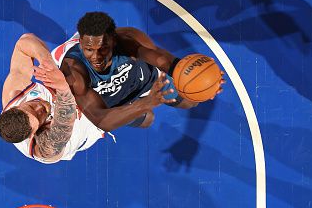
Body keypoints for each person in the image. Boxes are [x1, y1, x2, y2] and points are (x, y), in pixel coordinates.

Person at [51, 12, 224, 130]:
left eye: (103, 49)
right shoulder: (74, 71)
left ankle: (141, 103)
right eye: (89, 49)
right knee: (147, 120)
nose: (96, 56)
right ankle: (132, 108)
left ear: (113, 41)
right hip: (112, 102)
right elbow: (100, 119)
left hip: (146, 82)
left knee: (190, 102)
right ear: (81, 44)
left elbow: (163, 60)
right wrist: (145, 104)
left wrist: (200, 78)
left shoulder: (129, 39)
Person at [0, 33, 107, 164]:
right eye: (39, 116)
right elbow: (65, 119)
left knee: (60, 56)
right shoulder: (45, 148)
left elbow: (24, 42)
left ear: (17, 107)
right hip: (87, 120)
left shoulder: (14, 94)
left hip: (67, 90)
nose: (40, 107)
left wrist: (48, 64)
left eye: (31, 107)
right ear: (33, 133)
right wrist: (63, 87)